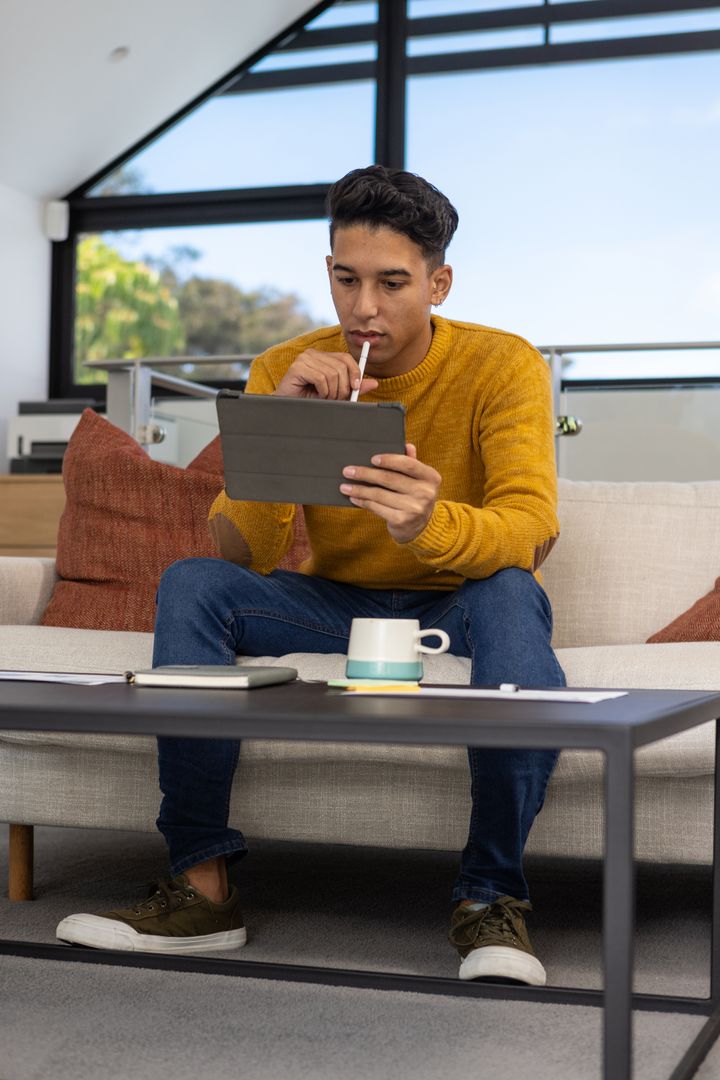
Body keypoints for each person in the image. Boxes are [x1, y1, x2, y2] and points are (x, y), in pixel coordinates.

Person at [56, 165, 565, 986]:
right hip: (341, 606)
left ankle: (489, 899)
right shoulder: (285, 366)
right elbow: (238, 556)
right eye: (346, 279)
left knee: (512, 593)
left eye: (393, 283)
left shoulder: (501, 366)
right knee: (193, 581)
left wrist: (426, 522)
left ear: (438, 282)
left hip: (460, 601)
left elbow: (531, 533)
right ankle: (202, 888)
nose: (365, 308)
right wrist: (281, 428)